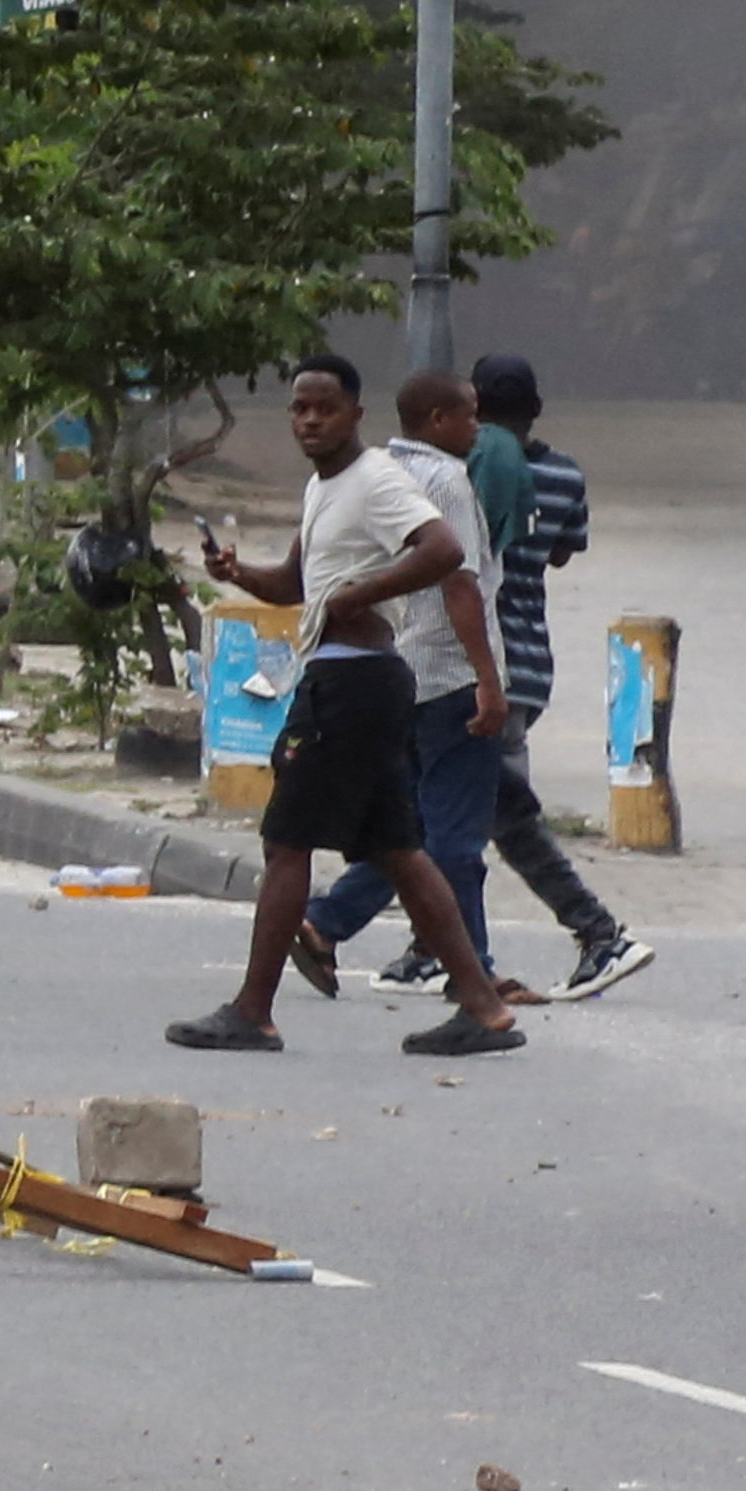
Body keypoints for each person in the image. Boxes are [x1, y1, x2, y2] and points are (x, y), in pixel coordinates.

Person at [169, 353, 523, 1056]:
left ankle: (253, 1010)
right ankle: (483, 1008)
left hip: (351, 683)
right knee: (398, 850)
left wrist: (360, 597)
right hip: (356, 679)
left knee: (288, 841)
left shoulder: (375, 481)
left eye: (324, 408)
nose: (309, 420)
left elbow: (444, 551)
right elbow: (298, 584)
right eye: (299, 408)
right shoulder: (323, 488)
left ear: (356, 416)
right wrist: (238, 573)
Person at [389, 353, 655, 996]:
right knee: (466, 811)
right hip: (528, 662)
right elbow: (563, 549)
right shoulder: (562, 474)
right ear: (536, 409)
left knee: (477, 816)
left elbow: (452, 573)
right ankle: (439, 947)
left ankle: (590, 933)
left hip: (474, 667)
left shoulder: (460, 475)